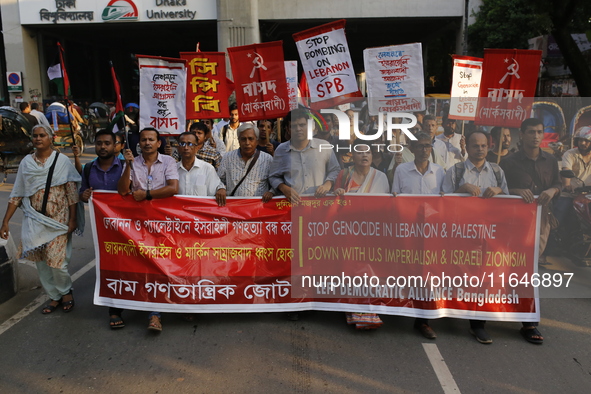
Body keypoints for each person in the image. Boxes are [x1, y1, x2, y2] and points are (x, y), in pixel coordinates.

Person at [0, 124, 82, 314]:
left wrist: (72, 219)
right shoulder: (26, 163)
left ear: (50, 138)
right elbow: (17, 194)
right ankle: (54, 296)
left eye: (42, 135)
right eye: (35, 135)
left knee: (57, 262)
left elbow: (71, 193)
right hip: (34, 220)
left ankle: (66, 292)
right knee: (41, 262)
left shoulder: (61, 161)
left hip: (59, 221)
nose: (38, 139)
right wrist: (5, 222)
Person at [442, 131, 509, 344]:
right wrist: (461, 189)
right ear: (467, 147)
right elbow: (442, 200)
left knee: (483, 278)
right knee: (458, 275)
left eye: (483, 145)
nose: (480, 149)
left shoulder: (497, 171)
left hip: (489, 235)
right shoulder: (456, 171)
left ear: (488, 147)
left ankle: (477, 324)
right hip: (461, 233)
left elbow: (510, 203)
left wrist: (499, 191)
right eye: (475, 145)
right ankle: (448, 311)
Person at [500, 118, 561, 345]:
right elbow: (500, 189)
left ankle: (528, 318)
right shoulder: (508, 162)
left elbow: (558, 184)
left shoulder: (552, 161)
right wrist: (515, 191)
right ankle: (513, 313)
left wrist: (554, 190)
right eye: (531, 132)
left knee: (531, 268)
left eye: (539, 132)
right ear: (521, 134)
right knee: (510, 265)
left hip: (542, 221)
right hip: (514, 223)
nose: (536, 136)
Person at [117, 127, 179, 332]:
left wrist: (148, 195)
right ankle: (153, 313)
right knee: (146, 267)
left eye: (151, 139)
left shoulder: (168, 162)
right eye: (143, 139)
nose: (147, 143)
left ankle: (170, 306)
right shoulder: (132, 162)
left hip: (164, 224)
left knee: (164, 266)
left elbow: (173, 188)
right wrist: (127, 166)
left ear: (158, 143)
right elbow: (123, 190)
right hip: (139, 226)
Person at [392, 132, 445, 339]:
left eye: (428, 146)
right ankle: (400, 307)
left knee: (428, 275)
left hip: (431, 233)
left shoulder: (440, 171)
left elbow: (446, 200)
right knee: (406, 271)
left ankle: (423, 319)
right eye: (421, 146)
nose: (425, 150)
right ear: (411, 149)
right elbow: (395, 198)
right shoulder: (401, 170)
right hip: (407, 231)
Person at [334, 139, 390, 330]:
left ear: (372, 155)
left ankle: (369, 310)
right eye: (359, 152)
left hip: (372, 233)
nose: (364, 155)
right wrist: (338, 192)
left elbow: (385, 207)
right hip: (348, 232)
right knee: (350, 270)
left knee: (369, 271)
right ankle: (352, 309)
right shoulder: (344, 175)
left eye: (368, 152)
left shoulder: (381, 177)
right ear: (352, 155)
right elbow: (334, 203)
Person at [79, 129, 125, 328]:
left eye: (107, 143)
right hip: (104, 228)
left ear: (116, 145)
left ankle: (139, 298)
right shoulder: (89, 168)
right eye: (99, 143)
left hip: (128, 226)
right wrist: (85, 195)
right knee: (110, 265)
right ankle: (114, 309)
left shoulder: (125, 166)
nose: (103, 147)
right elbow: (82, 193)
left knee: (132, 263)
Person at [269, 108, 341, 204]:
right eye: (293, 126)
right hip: (292, 207)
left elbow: (335, 169)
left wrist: (327, 184)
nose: (298, 129)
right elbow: (273, 176)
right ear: (288, 129)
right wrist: (284, 188)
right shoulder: (281, 150)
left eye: (302, 125)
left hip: (320, 204)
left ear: (309, 126)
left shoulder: (324, 146)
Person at [217, 124, 274, 204]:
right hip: (233, 208)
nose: (247, 143)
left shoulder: (268, 159)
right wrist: (221, 188)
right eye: (243, 139)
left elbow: (275, 181)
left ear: (257, 141)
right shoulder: (228, 157)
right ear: (238, 140)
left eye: (251, 139)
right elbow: (218, 179)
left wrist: (271, 192)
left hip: (259, 208)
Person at [556, 126, 591, 240]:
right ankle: (551, 243)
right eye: (580, 140)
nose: (582, 143)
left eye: (586, 140)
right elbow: (566, 170)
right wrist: (567, 184)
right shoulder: (570, 154)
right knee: (557, 219)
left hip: (587, 196)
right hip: (570, 194)